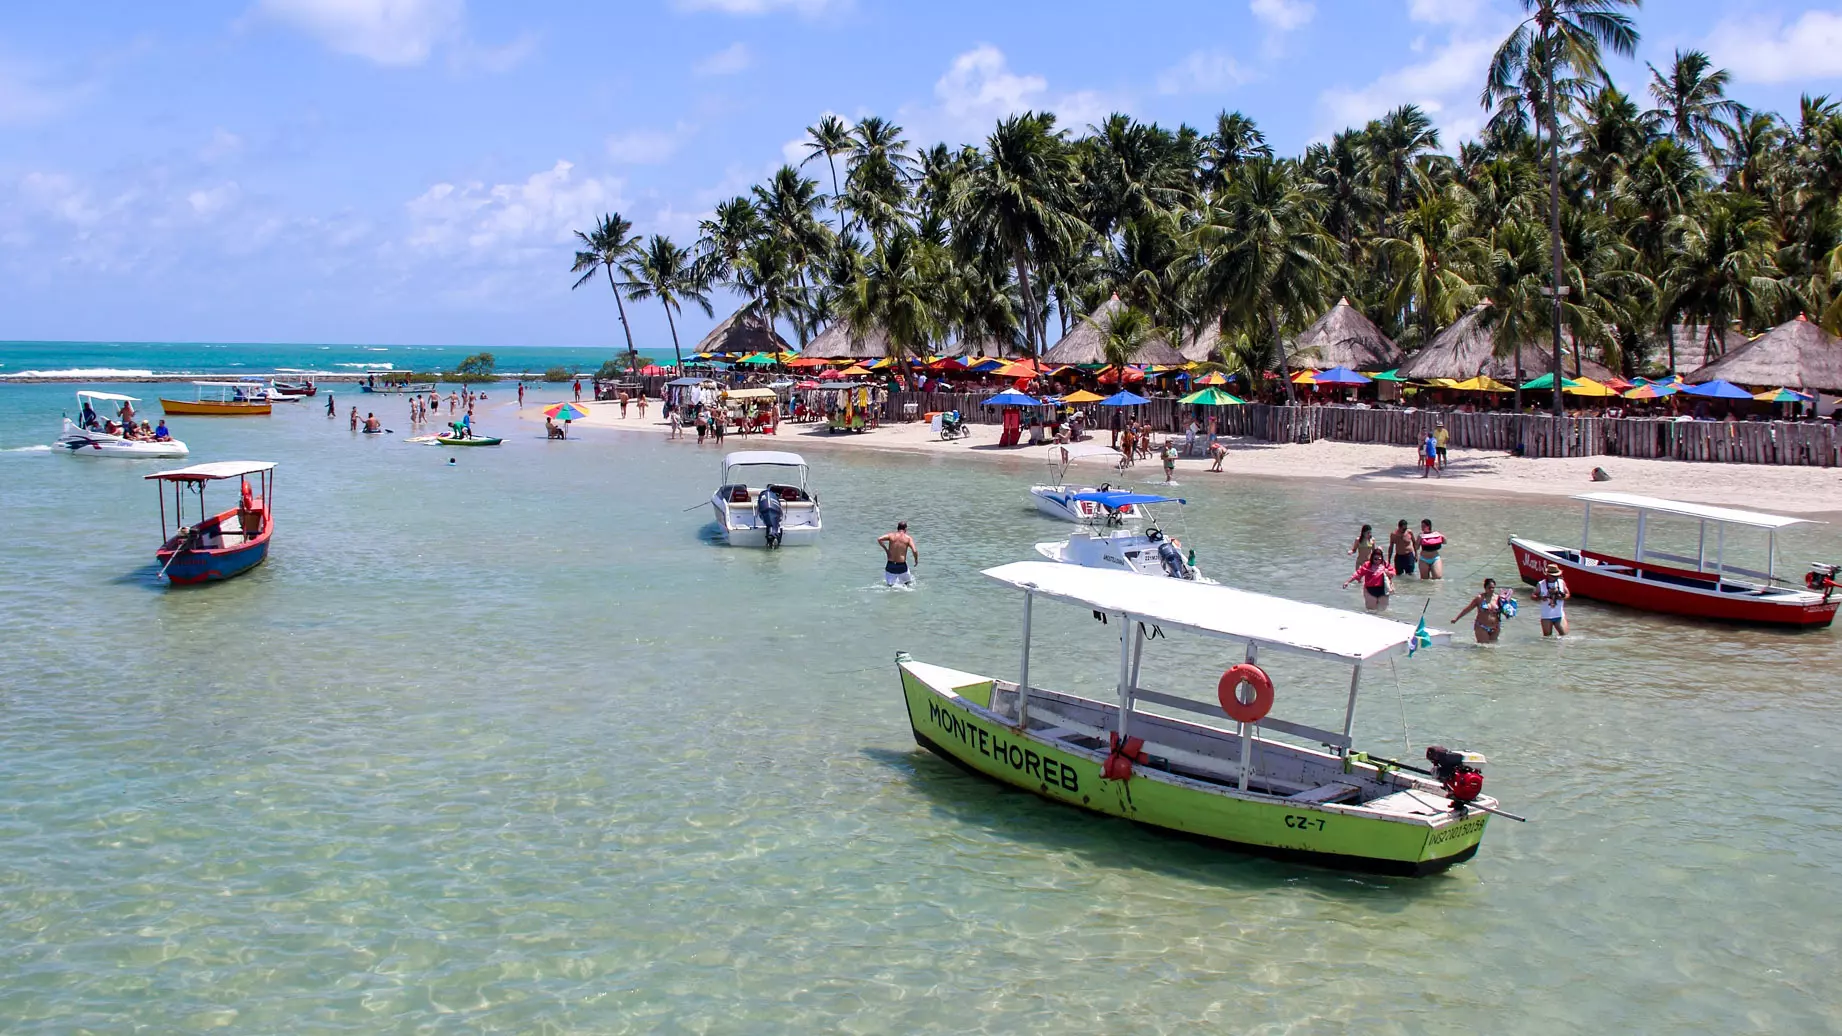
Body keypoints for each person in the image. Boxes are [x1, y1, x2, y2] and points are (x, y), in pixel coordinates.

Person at [1453, 578, 1505, 643]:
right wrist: (1456, 618)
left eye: (1493, 588)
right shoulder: (1480, 598)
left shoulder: (1498, 598)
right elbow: (1468, 609)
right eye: (1489, 588)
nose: (1491, 590)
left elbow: (1504, 611)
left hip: (1495, 627)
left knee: (1492, 649)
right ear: (1485, 588)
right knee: (1483, 648)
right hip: (1482, 627)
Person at [1342, 547, 1396, 612]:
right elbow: (1358, 573)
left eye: (1379, 559)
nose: (1377, 561)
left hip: (1383, 590)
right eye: (1375, 559)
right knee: (1371, 610)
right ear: (1372, 558)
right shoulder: (1367, 565)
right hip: (1370, 590)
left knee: (1383, 610)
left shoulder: (1385, 565)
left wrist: (1388, 572)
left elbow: (1393, 573)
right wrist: (1348, 582)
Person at [878, 521, 919, 587]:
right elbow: (914, 550)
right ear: (905, 529)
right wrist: (916, 560)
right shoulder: (908, 538)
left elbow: (879, 539)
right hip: (902, 566)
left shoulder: (891, 535)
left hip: (890, 565)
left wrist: (886, 550)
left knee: (890, 586)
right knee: (908, 585)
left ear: (897, 528)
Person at [1534, 562, 1570, 636]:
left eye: (1557, 576)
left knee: (1565, 637)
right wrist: (1540, 597)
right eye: (1554, 576)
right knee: (1547, 639)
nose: (1556, 577)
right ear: (1548, 575)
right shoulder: (1541, 584)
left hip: (1559, 615)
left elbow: (1568, 594)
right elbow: (1533, 596)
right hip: (1546, 616)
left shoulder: (1561, 582)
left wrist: (1562, 597)